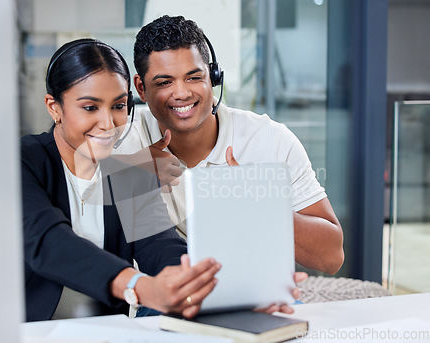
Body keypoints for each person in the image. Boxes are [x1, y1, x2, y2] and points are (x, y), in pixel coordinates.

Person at [114, 15, 344, 275]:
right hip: (164, 297)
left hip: (255, 294)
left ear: (213, 77)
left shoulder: (270, 139)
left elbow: (331, 257)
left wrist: (261, 204)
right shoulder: (123, 142)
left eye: (193, 77)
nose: (181, 93)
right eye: (165, 82)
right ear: (141, 89)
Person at [21, 38, 223, 322]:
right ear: (54, 107)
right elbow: (49, 242)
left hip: (106, 333)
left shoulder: (128, 177)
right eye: (90, 107)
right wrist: (138, 285)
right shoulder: (23, 162)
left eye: (118, 106)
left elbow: (162, 248)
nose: (108, 123)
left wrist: (212, 287)